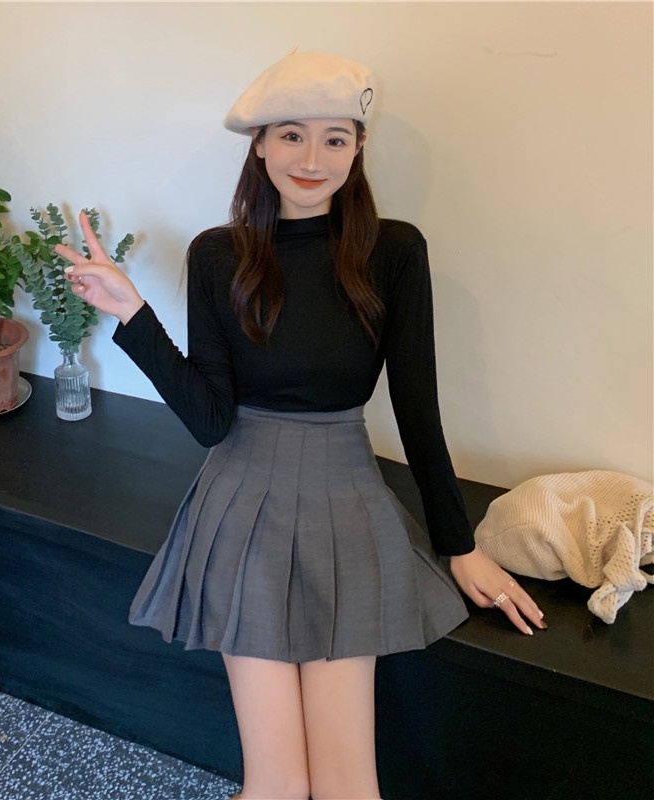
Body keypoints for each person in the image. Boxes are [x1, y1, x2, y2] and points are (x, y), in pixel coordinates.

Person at [56, 50, 546, 800]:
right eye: (290, 135)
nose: (312, 159)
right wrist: (133, 315)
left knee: (349, 785)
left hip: (344, 500)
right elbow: (211, 420)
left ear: (358, 147)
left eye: (334, 138)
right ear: (258, 144)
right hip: (238, 502)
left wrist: (460, 544)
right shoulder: (217, 255)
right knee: (277, 786)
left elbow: (418, 408)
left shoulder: (394, 252)